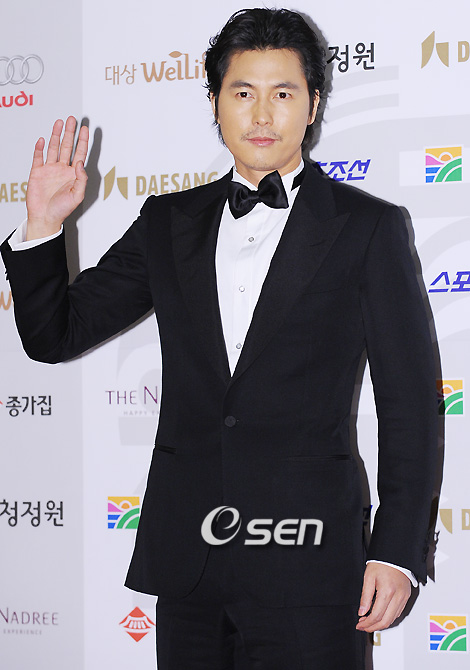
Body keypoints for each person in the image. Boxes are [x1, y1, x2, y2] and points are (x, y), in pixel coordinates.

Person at [1, 8, 437, 670]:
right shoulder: (167, 221)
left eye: (283, 93)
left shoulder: (368, 227)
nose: (262, 114)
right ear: (214, 103)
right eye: (242, 92)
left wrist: (397, 551)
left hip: (311, 566)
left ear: (314, 104)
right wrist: (41, 226)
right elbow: (54, 335)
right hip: (189, 567)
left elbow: (410, 406)